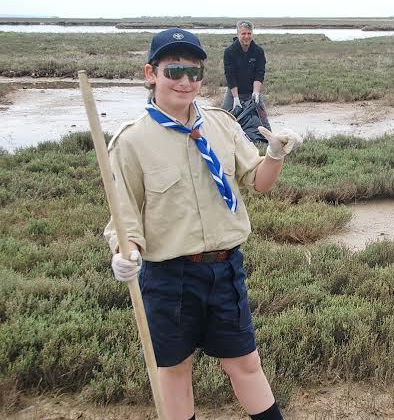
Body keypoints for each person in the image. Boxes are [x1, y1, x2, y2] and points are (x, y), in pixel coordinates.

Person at [105, 28, 302, 420]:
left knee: (245, 364)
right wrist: (125, 253)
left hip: (226, 268)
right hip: (168, 277)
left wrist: (275, 153)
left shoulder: (222, 124)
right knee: (175, 372)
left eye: (193, 73)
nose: (184, 81)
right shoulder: (130, 141)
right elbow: (124, 216)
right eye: (173, 70)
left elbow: (259, 182)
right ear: (151, 73)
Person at [223, 20, 267, 114]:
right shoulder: (229, 52)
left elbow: (259, 73)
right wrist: (235, 98)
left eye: (249, 33)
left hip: (252, 91)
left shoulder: (258, 51)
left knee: (263, 122)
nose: (246, 36)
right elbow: (230, 75)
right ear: (238, 34)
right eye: (243, 33)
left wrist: (256, 93)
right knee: (224, 118)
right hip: (234, 92)